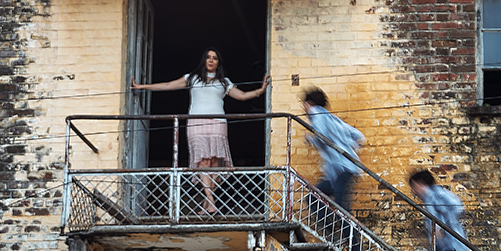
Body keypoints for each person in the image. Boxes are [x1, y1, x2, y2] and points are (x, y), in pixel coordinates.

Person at [132, 48, 270, 214]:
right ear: (204, 60)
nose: (211, 60)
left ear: (219, 63)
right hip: (196, 122)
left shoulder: (224, 82)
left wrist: (260, 91)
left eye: (215, 58)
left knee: (213, 163)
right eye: (208, 57)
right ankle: (212, 202)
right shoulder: (192, 78)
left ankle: (207, 202)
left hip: (218, 123)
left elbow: (241, 95)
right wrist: (142, 86)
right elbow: (168, 85)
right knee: (203, 162)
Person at [300, 86, 366, 214]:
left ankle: (348, 233)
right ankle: (334, 232)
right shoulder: (329, 117)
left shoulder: (316, 113)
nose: (304, 108)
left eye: (304, 104)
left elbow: (321, 136)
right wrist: (351, 149)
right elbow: (358, 136)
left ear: (310, 103)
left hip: (342, 169)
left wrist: (310, 139)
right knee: (314, 198)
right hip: (340, 170)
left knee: (341, 208)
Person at [408, 170, 469, 251]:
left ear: (421, 183)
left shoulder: (435, 194)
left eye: (414, 186)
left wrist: (443, 227)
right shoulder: (429, 200)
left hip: (452, 248)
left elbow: (457, 206)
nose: (412, 191)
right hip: (445, 249)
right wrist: (425, 234)